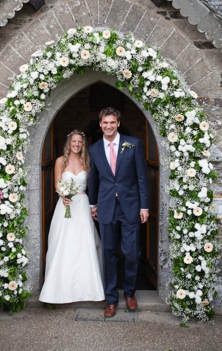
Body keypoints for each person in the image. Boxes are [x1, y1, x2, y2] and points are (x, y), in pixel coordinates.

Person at [89, 107, 149, 318]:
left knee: (132, 252)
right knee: (109, 253)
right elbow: (94, 180)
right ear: (100, 124)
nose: (108, 126)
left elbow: (142, 177)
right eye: (105, 122)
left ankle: (130, 293)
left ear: (118, 123)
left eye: (112, 122)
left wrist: (144, 206)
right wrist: (92, 205)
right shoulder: (94, 148)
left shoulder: (133, 144)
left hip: (131, 207)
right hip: (106, 208)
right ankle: (111, 299)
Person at [39, 129, 105, 304]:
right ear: (69, 143)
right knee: (64, 243)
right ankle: (59, 290)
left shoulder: (87, 161)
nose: (77, 145)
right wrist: (62, 195)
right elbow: (57, 183)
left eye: (80, 142)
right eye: (74, 141)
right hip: (66, 206)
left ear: (83, 145)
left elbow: (94, 183)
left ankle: (88, 289)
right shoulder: (60, 161)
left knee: (84, 243)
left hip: (82, 205)